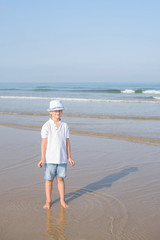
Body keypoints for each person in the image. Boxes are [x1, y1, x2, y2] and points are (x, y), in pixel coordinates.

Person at [38, 100, 75, 209]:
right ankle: (48, 201)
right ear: (50, 112)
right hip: (49, 159)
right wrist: (42, 158)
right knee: (49, 180)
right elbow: (44, 143)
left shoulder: (65, 125)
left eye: (59, 111)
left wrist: (69, 156)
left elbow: (67, 142)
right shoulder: (46, 125)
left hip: (62, 159)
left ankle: (62, 200)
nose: (57, 113)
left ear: (62, 112)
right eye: (55, 111)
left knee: (60, 179)